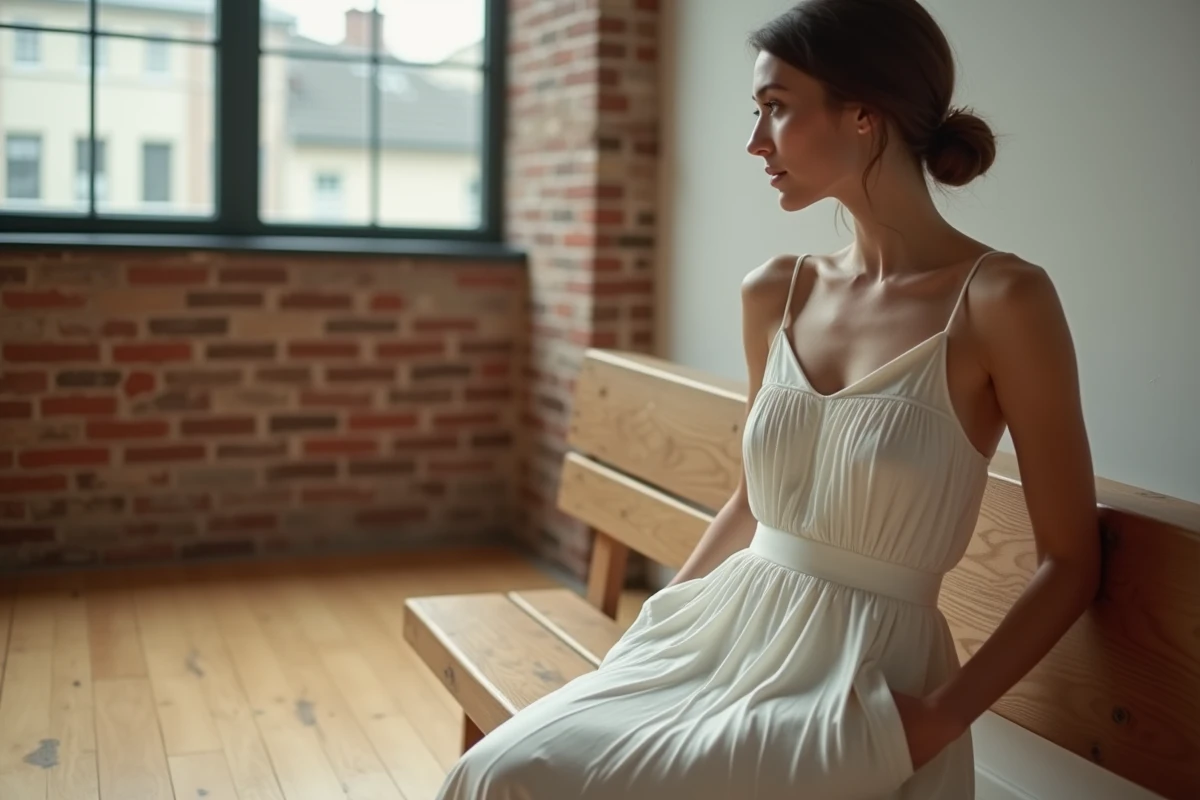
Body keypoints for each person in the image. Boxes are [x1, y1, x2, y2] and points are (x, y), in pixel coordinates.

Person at [434, 0, 1101, 797]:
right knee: (494, 772)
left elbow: (1071, 561)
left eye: (776, 110)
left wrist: (940, 718)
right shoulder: (776, 292)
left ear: (864, 114)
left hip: (862, 684)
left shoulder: (1002, 301)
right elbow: (756, 500)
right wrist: (653, 627)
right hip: (720, 635)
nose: (755, 142)